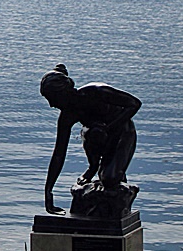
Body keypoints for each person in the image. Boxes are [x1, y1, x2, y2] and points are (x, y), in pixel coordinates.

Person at [40, 64, 141, 215]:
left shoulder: (96, 92)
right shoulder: (67, 117)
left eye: (52, 99)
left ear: (63, 93)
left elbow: (134, 104)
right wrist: (48, 191)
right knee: (92, 132)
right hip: (97, 137)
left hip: (122, 132)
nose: (51, 105)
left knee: (110, 180)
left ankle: (124, 188)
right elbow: (58, 154)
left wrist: (110, 127)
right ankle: (94, 167)